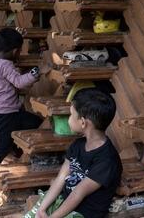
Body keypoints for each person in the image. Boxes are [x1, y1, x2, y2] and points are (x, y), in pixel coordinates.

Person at [25, 88, 122, 218]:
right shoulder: (77, 145)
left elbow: (78, 193)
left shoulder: (107, 160)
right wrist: (42, 209)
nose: (68, 119)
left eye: (71, 115)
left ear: (83, 122)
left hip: (82, 213)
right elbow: (61, 178)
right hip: (64, 201)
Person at [0, 28, 43, 193]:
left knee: (28, 126)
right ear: (15, 50)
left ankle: (18, 151)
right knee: (2, 148)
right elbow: (19, 82)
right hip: (7, 116)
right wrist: (37, 72)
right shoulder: (6, 65)